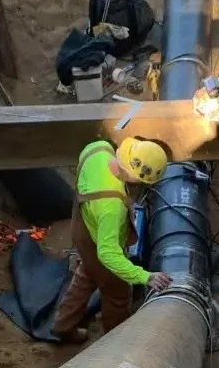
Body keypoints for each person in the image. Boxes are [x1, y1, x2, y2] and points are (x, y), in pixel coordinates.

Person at [51, 137, 173, 343]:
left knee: (87, 274)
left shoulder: (98, 149)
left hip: (83, 228)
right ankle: (115, 341)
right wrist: (145, 276)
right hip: (100, 241)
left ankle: (63, 326)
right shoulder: (111, 207)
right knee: (118, 294)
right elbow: (107, 253)